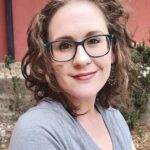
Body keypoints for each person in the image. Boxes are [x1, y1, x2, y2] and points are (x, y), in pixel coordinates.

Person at [9, 0, 136, 149]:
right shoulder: (36, 131)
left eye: (94, 40)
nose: (81, 60)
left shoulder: (115, 118)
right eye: (65, 45)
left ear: (113, 51)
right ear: (47, 59)